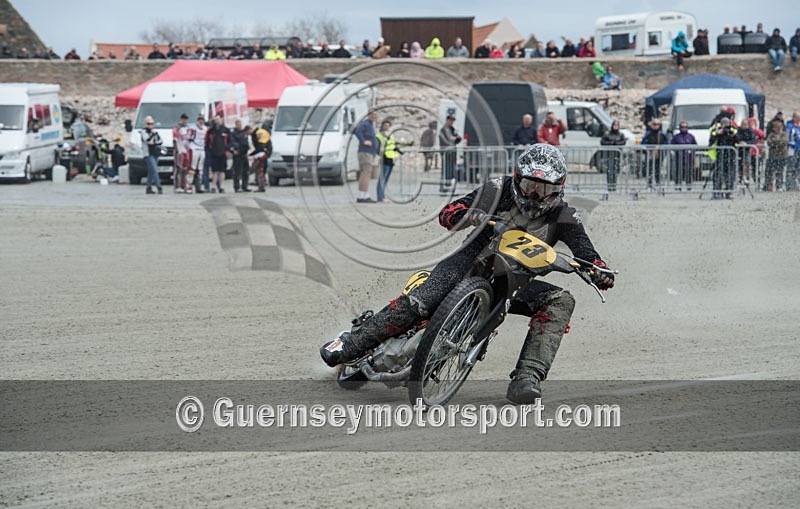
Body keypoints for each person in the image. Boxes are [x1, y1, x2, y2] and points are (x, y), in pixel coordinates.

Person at [320, 144, 614, 403]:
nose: (536, 194)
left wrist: (599, 271)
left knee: (561, 300)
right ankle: (349, 343)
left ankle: (527, 378)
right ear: (516, 179)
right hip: (467, 263)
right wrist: (469, 215)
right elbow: (449, 211)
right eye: (529, 185)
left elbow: (587, 253)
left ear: (559, 189)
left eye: (545, 189)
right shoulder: (497, 189)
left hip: (513, 283)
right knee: (422, 300)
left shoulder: (566, 216)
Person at [375, 120, 408, 202]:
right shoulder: (379, 136)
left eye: (388, 125)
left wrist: (399, 152)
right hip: (384, 158)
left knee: (386, 179)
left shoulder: (390, 135)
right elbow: (377, 148)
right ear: (382, 126)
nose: (386, 127)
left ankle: (382, 195)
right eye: (385, 125)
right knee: (382, 178)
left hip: (391, 159)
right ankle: (380, 196)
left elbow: (393, 146)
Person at [708, 117, 738, 199]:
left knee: (730, 174)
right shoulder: (716, 130)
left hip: (730, 156)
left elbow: (737, 141)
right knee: (718, 174)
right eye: (723, 123)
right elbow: (711, 142)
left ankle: (729, 191)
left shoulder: (732, 130)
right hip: (720, 155)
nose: (725, 125)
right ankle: (717, 191)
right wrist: (718, 134)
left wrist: (732, 135)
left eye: (727, 123)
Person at [354, 109, 379, 203]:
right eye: (372, 114)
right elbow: (357, 131)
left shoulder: (370, 125)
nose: (374, 116)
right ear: (369, 115)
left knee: (365, 173)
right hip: (366, 152)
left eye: (375, 115)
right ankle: (364, 195)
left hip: (369, 152)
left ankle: (362, 194)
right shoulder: (365, 124)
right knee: (366, 173)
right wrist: (363, 141)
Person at [669, 121, 697, 191]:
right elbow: (671, 145)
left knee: (689, 171)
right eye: (682, 127)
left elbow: (695, 145)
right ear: (680, 128)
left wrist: (692, 151)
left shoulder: (691, 136)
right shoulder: (676, 137)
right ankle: (678, 185)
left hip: (688, 158)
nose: (684, 128)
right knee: (678, 172)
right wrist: (675, 152)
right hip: (678, 158)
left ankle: (689, 185)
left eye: (685, 127)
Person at [600, 120, 626, 193]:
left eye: (617, 125)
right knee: (609, 171)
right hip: (609, 155)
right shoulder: (607, 133)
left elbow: (623, 142)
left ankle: (614, 186)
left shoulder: (621, 134)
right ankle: (609, 186)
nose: (616, 126)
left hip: (617, 155)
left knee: (615, 171)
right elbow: (602, 142)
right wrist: (610, 143)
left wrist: (616, 143)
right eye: (615, 125)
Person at [205, 115, 230, 193]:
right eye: (216, 120)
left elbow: (230, 141)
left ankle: (221, 187)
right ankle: (213, 187)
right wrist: (209, 150)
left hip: (223, 153)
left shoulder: (226, 130)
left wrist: (228, 150)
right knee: (214, 171)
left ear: (221, 120)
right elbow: (207, 142)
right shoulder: (211, 131)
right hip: (214, 153)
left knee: (222, 171)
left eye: (218, 119)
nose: (217, 121)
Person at [641, 119, 669, 189]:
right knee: (649, 170)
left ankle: (658, 183)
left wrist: (663, 152)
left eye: (658, 124)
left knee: (658, 169)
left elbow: (666, 144)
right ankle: (649, 184)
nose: (656, 126)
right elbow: (643, 143)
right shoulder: (648, 134)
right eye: (654, 124)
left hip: (659, 155)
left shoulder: (662, 134)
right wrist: (647, 150)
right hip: (650, 155)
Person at [140, 115, 163, 194]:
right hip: (148, 154)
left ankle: (148, 187)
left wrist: (155, 135)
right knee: (154, 170)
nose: (150, 125)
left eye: (152, 124)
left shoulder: (155, 132)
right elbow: (148, 141)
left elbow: (160, 141)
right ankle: (159, 186)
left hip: (155, 153)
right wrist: (153, 135)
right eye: (148, 124)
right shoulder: (143, 132)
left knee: (151, 171)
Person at [439, 114, 461, 193]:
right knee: (445, 170)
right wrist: (452, 139)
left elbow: (458, 138)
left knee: (451, 170)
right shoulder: (443, 130)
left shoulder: (452, 129)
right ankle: (443, 187)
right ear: (447, 120)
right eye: (451, 120)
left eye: (453, 121)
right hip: (446, 153)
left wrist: (455, 138)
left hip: (452, 153)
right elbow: (445, 140)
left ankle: (449, 187)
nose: (452, 122)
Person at [764, 120, 788, 191]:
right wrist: (778, 142)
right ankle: (768, 185)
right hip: (772, 156)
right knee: (769, 172)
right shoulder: (771, 135)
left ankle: (779, 186)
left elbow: (784, 142)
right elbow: (769, 142)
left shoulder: (784, 134)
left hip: (781, 156)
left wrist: (775, 142)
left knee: (779, 171)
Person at [187, 115, 207, 193]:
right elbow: (188, 138)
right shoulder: (193, 128)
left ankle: (198, 186)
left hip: (202, 149)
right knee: (192, 168)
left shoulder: (205, 129)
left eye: (202, 120)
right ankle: (189, 186)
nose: (201, 122)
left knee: (200, 168)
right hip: (194, 148)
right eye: (200, 120)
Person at [230, 120, 251, 192]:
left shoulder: (243, 133)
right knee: (237, 171)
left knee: (246, 171)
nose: (239, 126)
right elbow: (231, 143)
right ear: (236, 125)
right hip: (238, 154)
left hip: (244, 154)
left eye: (240, 124)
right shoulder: (233, 133)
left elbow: (246, 142)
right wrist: (234, 150)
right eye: (238, 125)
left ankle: (245, 186)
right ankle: (237, 187)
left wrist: (248, 151)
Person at [250, 121, 271, 192]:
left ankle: (261, 186)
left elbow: (260, 146)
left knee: (259, 170)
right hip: (264, 154)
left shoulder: (259, 134)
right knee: (261, 170)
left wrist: (252, 154)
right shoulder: (264, 134)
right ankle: (261, 185)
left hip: (261, 155)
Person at [173, 113, 192, 193]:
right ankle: (177, 186)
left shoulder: (189, 128)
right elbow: (175, 140)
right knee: (178, 169)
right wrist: (176, 150)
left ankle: (185, 186)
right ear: (181, 119)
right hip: (179, 150)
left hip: (187, 151)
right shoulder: (177, 128)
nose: (185, 121)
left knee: (186, 169)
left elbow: (190, 139)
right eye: (183, 119)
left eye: (186, 119)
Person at [785, 112, 800, 191]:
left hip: (799, 150)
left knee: (798, 168)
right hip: (792, 150)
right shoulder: (790, 125)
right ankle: (789, 185)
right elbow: (789, 138)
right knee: (791, 167)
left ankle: (796, 184)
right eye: (798, 117)